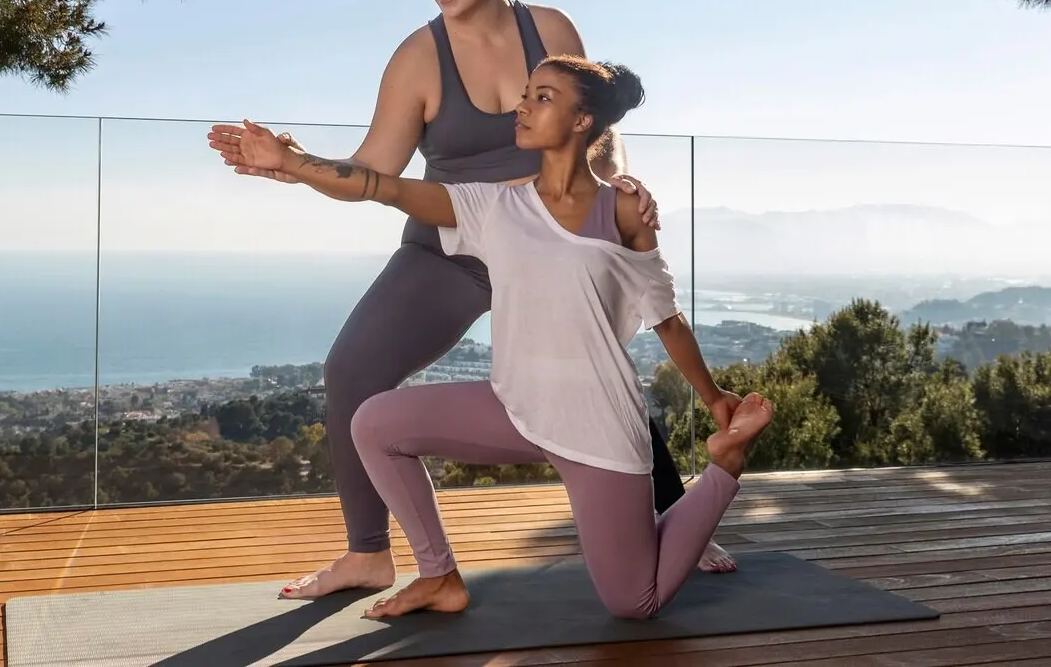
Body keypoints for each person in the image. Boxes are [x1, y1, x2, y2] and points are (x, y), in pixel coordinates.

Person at [207, 0, 735, 602]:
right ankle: (369, 555)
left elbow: (595, 124)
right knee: (351, 370)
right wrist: (293, 163)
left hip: (548, 246)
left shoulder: (549, 29)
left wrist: (615, 192)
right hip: (450, 250)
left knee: (593, 375)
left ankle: (665, 520)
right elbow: (375, 171)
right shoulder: (418, 58)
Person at [230, 56, 775, 620]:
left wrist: (713, 398)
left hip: (596, 424)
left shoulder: (625, 212)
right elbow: (382, 187)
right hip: (513, 407)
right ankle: (439, 576)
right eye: (526, 94)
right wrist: (292, 162)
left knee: (634, 602)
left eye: (543, 97)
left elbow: (667, 318)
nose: (522, 106)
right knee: (373, 422)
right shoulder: (494, 207)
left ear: (583, 120)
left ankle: (725, 466)